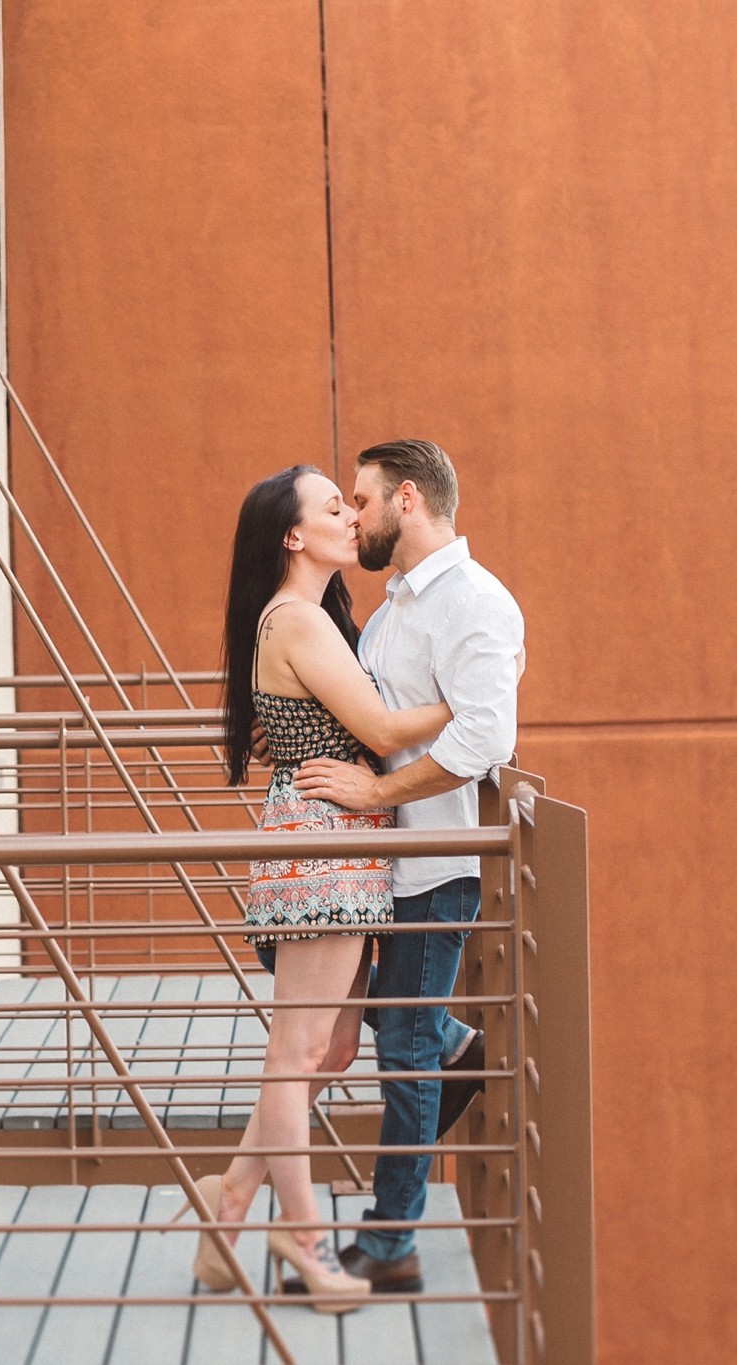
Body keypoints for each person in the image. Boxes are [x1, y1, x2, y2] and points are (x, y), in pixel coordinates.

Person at [193, 464, 454, 1314]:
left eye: (353, 503)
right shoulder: (297, 619)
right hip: (324, 852)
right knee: (296, 1054)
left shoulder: (303, 617)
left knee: (332, 1049)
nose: (353, 516)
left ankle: (230, 1201)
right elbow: (378, 729)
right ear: (294, 537)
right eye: (334, 508)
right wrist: (466, 703)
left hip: (334, 848)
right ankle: (301, 1238)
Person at [291, 438, 525, 1295]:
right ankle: (454, 1045)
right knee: (396, 1031)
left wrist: (377, 787)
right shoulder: (394, 607)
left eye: (362, 498)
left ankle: (389, 1245)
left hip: (432, 865)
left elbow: (484, 738)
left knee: (403, 1054)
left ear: (409, 500)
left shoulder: (475, 604)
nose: (352, 514)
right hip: (377, 867)